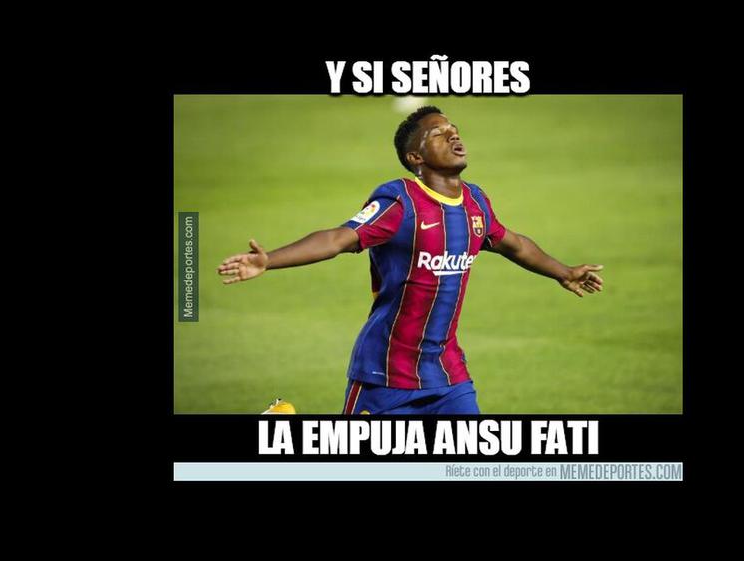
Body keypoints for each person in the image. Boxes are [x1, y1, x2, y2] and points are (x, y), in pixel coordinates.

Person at [217, 106, 603, 414]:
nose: (453, 135)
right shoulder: (399, 202)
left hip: (448, 375)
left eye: (454, 129)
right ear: (415, 156)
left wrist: (564, 272)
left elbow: (514, 244)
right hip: (384, 373)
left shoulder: (475, 203)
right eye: (438, 133)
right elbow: (338, 238)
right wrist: (269, 261)